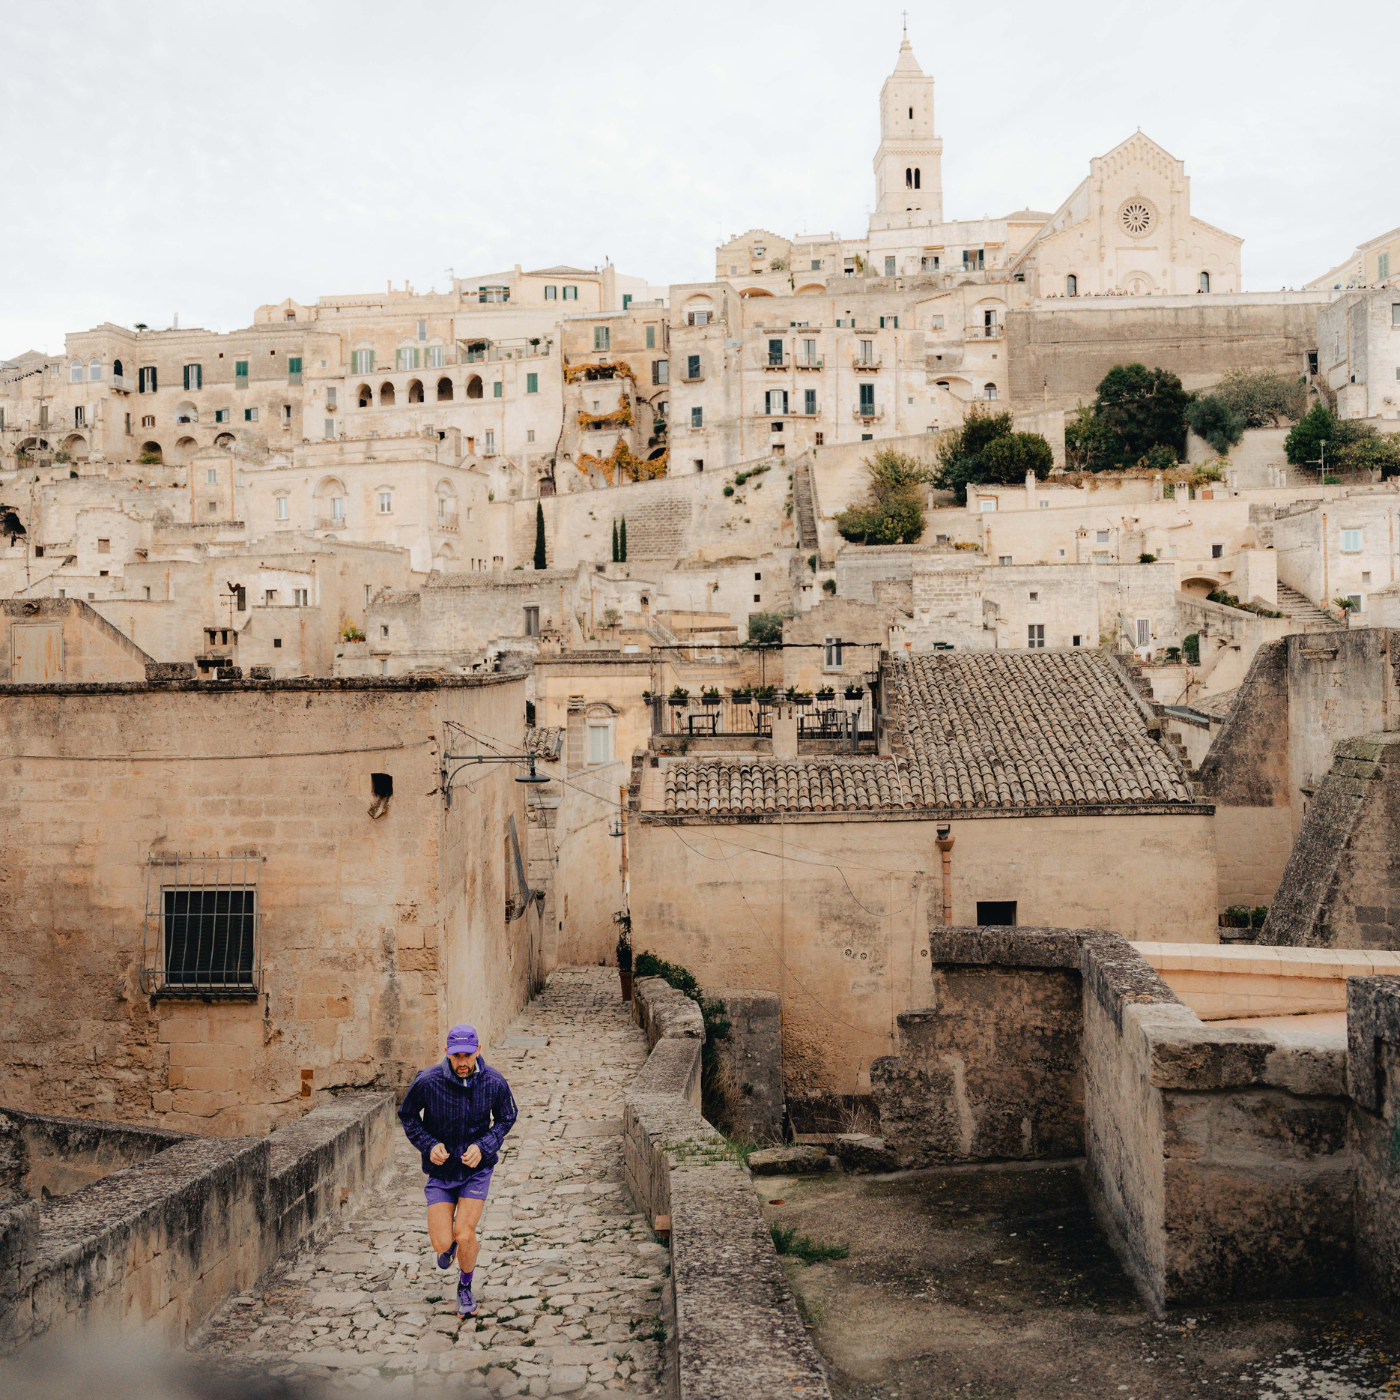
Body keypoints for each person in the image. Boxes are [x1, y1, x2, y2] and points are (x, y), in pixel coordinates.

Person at [398, 1024, 518, 1319]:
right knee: (441, 1242)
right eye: (456, 1056)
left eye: (467, 1055)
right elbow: (408, 1115)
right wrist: (429, 1144)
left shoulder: (493, 1081)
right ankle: (448, 1247)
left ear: (478, 1051)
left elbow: (507, 1116)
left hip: (476, 1170)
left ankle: (465, 1287)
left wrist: (485, 1145)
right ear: (447, 1054)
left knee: (465, 1232)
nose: (462, 1062)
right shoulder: (428, 1081)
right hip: (441, 1171)